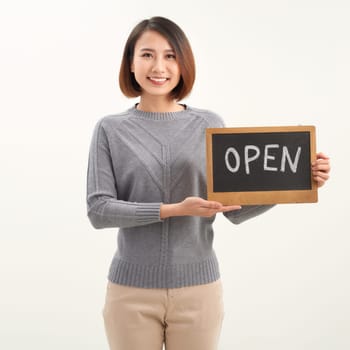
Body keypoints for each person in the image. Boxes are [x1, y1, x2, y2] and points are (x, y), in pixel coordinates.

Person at [86, 16, 330, 350]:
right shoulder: (110, 129)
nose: (159, 66)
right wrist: (172, 209)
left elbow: (234, 208)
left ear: (184, 63)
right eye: (147, 54)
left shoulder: (209, 124)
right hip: (130, 292)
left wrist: (300, 180)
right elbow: (99, 209)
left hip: (199, 291)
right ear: (130, 63)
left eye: (170, 55)